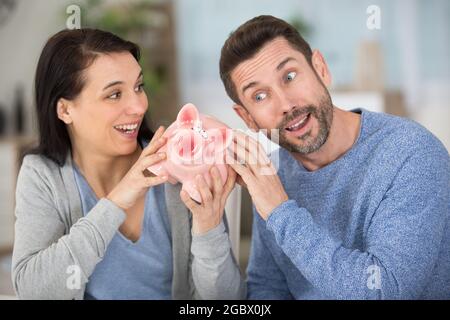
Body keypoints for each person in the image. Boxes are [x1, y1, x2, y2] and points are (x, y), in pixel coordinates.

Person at [220, 15, 450, 299]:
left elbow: (384, 291)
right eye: (259, 96)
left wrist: (280, 212)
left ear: (321, 68)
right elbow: (268, 288)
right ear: (247, 118)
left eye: (289, 77)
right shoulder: (273, 175)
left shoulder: (411, 153)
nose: (286, 104)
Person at [12, 28, 245, 300]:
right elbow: (32, 291)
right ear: (65, 110)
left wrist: (209, 225)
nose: (139, 106)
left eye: (138, 87)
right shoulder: (43, 175)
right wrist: (117, 201)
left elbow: (228, 301)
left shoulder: (180, 165)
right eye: (114, 94)